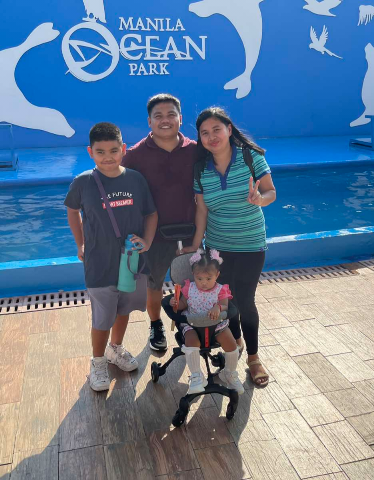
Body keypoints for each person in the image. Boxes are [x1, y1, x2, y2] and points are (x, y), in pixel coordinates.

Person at [183, 107, 276, 387]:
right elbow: (202, 210)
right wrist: (196, 245)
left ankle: (254, 358)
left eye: (217, 129)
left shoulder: (251, 157)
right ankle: (235, 344)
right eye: (205, 133)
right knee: (226, 299)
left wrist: (260, 200)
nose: (212, 136)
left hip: (250, 244)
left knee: (245, 300)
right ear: (200, 138)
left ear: (229, 130)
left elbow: (270, 191)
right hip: (218, 248)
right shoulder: (200, 168)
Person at [64, 122, 158, 392]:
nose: (108, 157)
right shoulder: (83, 182)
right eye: (100, 151)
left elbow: (151, 213)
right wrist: (80, 243)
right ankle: (97, 361)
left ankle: (115, 348)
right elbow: (72, 211)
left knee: (124, 308)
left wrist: (147, 241)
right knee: (102, 315)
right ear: (90, 152)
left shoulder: (136, 180)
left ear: (123, 149)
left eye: (114, 150)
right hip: (99, 262)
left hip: (131, 261)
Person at [122, 93, 196, 352]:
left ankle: (186, 324)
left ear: (180, 118)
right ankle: (156, 324)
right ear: (149, 121)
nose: (165, 120)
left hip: (189, 233)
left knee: (188, 283)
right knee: (153, 284)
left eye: (171, 115)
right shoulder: (135, 155)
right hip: (154, 235)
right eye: (159, 116)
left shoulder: (195, 151)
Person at [170, 249, 244, 395]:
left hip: (216, 325)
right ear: (193, 275)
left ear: (217, 275)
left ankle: (228, 373)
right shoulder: (189, 287)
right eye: (199, 279)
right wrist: (176, 303)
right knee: (191, 341)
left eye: (208, 279)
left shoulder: (221, 290)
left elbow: (225, 305)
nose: (204, 283)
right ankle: (197, 376)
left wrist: (218, 307)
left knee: (231, 344)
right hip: (192, 323)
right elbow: (183, 304)